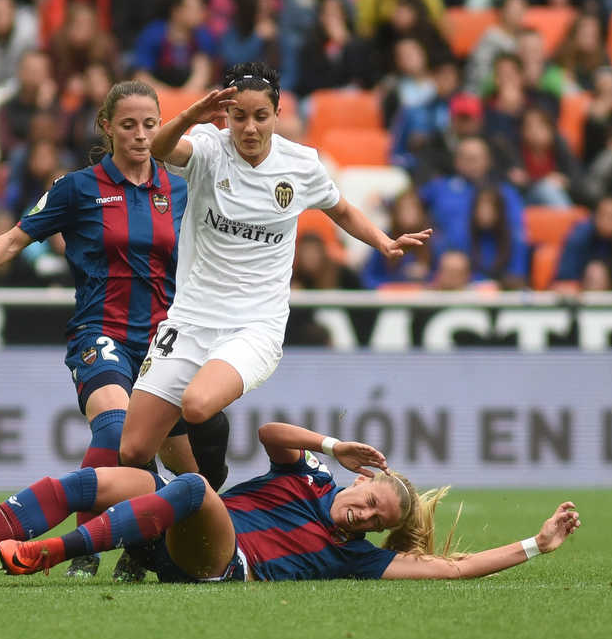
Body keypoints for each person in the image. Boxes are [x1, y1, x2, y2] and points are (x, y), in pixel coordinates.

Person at [119, 61, 430, 500]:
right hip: (189, 319)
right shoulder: (208, 146)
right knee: (132, 449)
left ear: (277, 113)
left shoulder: (301, 164)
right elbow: (161, 149)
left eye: (259, 116)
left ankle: (193, 502)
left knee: (196, 404)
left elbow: (340, 209)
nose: (249, 128)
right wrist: (191, 115)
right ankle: (195, 501)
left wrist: (382, 241)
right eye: (238, 116)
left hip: (254, 326)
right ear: (224, 115)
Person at [0, 79, 193, 579]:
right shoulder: (78, 188)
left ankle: (140, 548)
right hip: (100, 333)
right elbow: (14, 238)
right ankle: (84, 549)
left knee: (191, 479)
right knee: (115, 428)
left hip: (165, 347)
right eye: (128, 125)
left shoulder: (179, 188)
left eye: (150, 125)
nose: (139, 135)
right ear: (106, 127)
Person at [0, 421, 581, 583]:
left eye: (378, 521)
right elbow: (269, 434)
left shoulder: (355, 560)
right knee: (105, 469)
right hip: (167, 527)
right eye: (371, 501)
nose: (366, 515)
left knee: (192, 489)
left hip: (216, 561)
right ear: (360, 479)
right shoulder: (314, 475)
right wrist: (333, 442)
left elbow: (452, 570)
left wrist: (534, 545)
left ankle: (53, 553)